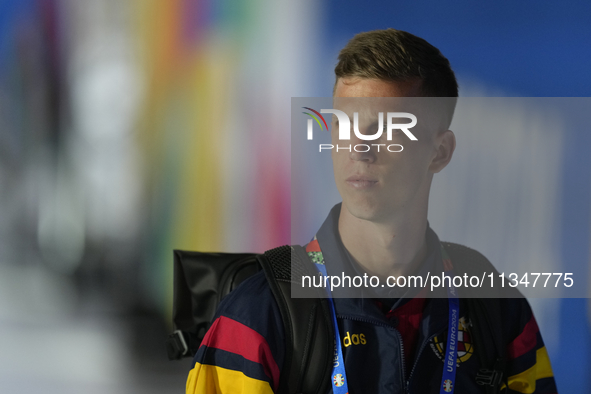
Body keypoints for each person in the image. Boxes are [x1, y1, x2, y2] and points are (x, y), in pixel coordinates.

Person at [185, 29, 558, 393]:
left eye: (387, 128)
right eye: (344, 125)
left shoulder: (494, 307)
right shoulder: (257, 316)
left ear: (440, 152)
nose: (360, 147)